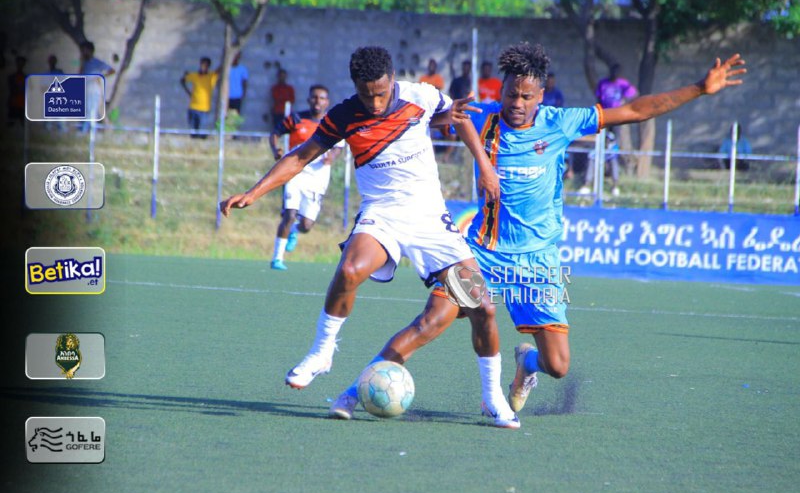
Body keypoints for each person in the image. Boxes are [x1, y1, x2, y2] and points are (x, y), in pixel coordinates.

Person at [330, 42, 746, 423]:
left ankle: (526, 364)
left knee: (558, 366)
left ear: (542, 95)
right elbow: (424, 122)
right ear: (503, 89)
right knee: (432, 320)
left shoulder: (562, 123)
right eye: (511, 93)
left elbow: (635, 111)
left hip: (539, 263)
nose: (517, 103)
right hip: (484, 253)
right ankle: (354, 390)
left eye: (527, 96)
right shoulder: (483, 119)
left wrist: (699, 88)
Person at [220, 46, 519, 429]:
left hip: (430, 219)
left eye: (381, 93)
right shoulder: (344, 115)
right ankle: (322, 351)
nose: (375, 103)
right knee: (350, 269)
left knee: (483, 308)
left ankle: (492, 398)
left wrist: (484, 166)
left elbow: (455, 117)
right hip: (382, 214)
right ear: (355, 87)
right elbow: (300, 156)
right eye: (367, 95)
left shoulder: (419, 94)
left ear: (392, 80)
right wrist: (254, 192)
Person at [267, 84, 343, 270]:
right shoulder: (296, 118)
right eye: (314, 97)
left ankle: (294, 231)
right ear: (309, 99)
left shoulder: (333, 123)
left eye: (322, 98)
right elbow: (275, 133)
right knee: (289, 214)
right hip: (295, 172)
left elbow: (339, 146)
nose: (318, 101)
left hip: (317, 177)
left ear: (327, 102)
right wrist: (275, 149)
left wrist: (331, 157)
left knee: (307, 225)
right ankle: (277, 258)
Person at [79, 41, 115, 132]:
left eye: (84, 50)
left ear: (90, 51)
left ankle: (89, 134)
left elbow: (112, 70)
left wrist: (100, 77)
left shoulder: (97, 62)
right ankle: (84, 133)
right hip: (85, 91)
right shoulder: (84, 63)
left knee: (91, 114)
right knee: (84, 113)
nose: (83, 52)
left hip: (94, 92)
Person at [180, 56, 219, 139]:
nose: (203, 67)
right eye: (202, 65)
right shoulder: (194, 75)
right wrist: (188, 92)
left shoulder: (211, 76)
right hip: (193, 107)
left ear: (208, 67)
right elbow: (182, 80)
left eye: (206, 66)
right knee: (193, 132)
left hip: (204, 109)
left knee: (202, 132)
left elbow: (219, 71)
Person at [578, 130, 620, 197]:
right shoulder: (597, 143)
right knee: (591, 161)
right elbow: (591, 155)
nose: (606, 142)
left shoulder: (613, 145)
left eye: (608, 140)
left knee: (614, 162)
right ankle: (587, 185)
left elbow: (614, 155)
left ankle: (615, 186)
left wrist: (607, 153)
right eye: (605, 140)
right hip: (597, 166)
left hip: (607, 167)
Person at [6, 55, 26, 127]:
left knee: (24, 125)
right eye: (19, 63)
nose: (20, 65)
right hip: (14, 103)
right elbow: (12, 89)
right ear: (16, 64)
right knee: (10, 124)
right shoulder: (11, 77)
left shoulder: (26, 77)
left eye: (22, 63)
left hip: (22, 104)